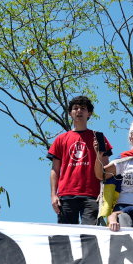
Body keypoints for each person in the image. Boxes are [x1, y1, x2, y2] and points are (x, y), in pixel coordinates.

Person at [48, 95, 113, 225]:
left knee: (91, 236)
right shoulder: (61, 139)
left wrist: (104, 192)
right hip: (66, 195)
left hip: (92, 196)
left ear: (89, 113)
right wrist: (53, 195)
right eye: (75, 108)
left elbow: (107, 168)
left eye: (83, 108)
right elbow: (55, 170)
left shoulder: (99, 137)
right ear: (70, 114)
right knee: (66, 237)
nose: (79, 111)